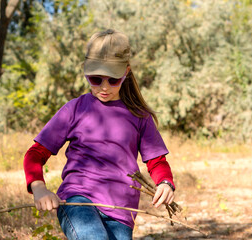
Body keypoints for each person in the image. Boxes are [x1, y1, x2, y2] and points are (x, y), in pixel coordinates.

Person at [23, 29, 176, 240]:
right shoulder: (75, 109)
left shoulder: (140, 116)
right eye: (95, 79)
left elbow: (157, 161)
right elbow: (35, 153)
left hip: (121, 211)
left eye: (113, 80)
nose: (104, 87)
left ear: (126, 73)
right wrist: (39, 188)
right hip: (78, 200)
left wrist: (165, 182)